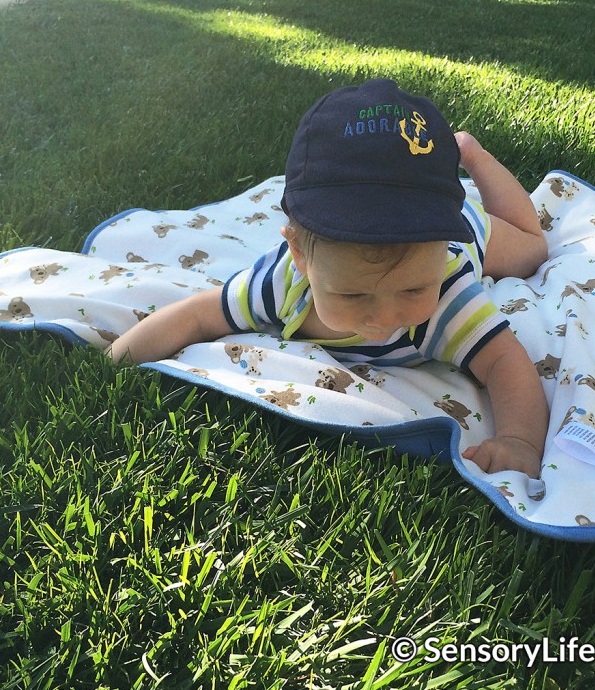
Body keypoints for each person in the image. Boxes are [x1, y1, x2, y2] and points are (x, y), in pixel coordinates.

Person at [108, 78, 550, 485]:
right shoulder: (283, 286)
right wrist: (113, 362)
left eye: (413, 289)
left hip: (473, 231)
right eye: (353, 293)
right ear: (300, 255)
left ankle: (471, 154)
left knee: (533, 250)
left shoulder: (448, 293)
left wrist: (519, 441)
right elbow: (201, 313)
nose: (384, 316)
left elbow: (505, 363)